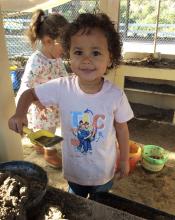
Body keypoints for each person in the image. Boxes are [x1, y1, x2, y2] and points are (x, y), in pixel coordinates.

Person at [8, 13, 134, 198]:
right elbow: (29, 93)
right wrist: (20, 113)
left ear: (110, 58)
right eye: (78, 52)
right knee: (74, 202)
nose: (86, 60)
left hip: (103, 172)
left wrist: (124, 159)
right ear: (69, 55)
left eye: (96, 52)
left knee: (100, 204)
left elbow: (122, 130)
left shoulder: (115, 95)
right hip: (74, 172)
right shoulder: (62, 87)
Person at [16, 9, 69, 168]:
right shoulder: (36, 60)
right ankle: (50, 153)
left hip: (54, 103)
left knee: (47, 129)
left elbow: (64, 77)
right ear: (48, 41)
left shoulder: (57, 59)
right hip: (42, 107)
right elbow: (26, 84)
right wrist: (32, 103)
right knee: (48, 129)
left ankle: (39, 144)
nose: (67, 49)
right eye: (64, 44)